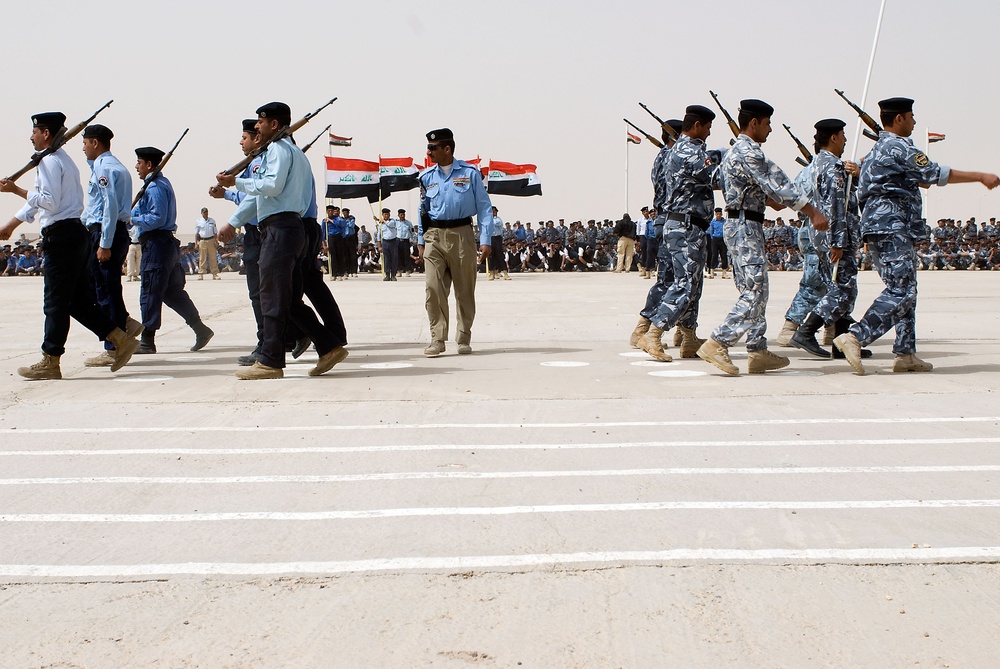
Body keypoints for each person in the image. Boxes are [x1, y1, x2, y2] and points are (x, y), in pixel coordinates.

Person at [834, 97, 1000, 374]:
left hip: (879, 226)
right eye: (911, 116)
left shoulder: (875, 151)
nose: (914, 121)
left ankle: (905, 353)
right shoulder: (899, 146)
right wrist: (979, 175)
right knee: (902, 290)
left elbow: (916, 178)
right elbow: (932, 173)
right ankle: (856, 336)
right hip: (892, 225)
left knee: (905, 290)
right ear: (899, 119)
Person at [0, 111, 139, 379]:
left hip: (62, 237)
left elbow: (48, 202)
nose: (31, 136)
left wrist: (16, 190)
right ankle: (119, 338)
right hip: (73, 234)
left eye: (35, 132)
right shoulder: (61, 161)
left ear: (46, 134)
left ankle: (51, 360)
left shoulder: (50, 162)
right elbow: (42, 202)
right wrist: (12, 225)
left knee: (54, 303)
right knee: (75, 302)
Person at [696, 99, 828, 376]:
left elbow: (740, 185)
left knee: (757, 289)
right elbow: (781, 184)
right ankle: (718, 342)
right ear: (754, 123)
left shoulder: (734, 152)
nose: (770, 130)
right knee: (754, 290)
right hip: (745, 226)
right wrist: (812, 211)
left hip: (743, 224)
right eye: (767, 124)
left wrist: (766, 198)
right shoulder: (749, 152)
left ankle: (757, 350)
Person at [216, 101, 347, 379]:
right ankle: (329, 346)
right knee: (287, 300)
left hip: (280, 230)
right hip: (292, 229)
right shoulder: (295, 153)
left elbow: (270, 187)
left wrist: (234, 182)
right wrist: (234, 222)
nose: (257, 128)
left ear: (274, 124)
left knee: (272, 296)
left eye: (260, 123)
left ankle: (271, 361)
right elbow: (260, 196)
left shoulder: (276, 150)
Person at [636, 105, 719, 362]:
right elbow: (714, 178)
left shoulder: (676, 152)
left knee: (692, 284)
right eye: (706, 127)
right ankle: (653, 332)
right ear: (696, 126)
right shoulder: (686, 151)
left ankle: (689, 337)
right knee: (683, 283)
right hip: (683, 224)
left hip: (686, 224)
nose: (708, 133)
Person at [131, 146, 214, 354]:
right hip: (165, 245)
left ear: (149, 165)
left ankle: (147, 341)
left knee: (151, 292)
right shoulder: (159, 183)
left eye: (139, 163)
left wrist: (130, 218)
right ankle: (200, 328)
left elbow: (157, 218)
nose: (136, 167)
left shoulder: (155, 187)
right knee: (172, 293)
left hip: (157, 245)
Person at [418, 127, 493, 356]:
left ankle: (463, 337)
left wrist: (486, 238)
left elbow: (484, 206)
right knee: (433, 288)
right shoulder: (426, 177)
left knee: (464, 290)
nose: (429, 152)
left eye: (433, 148)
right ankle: (437, 339)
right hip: (434, 237)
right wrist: (421, 239)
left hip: (462, 235)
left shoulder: (470, 173)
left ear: (447, 148)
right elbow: (423, 210)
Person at [80, 124, 143, 367]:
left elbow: (110, 206)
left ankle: (114, 346)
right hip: (112, 231)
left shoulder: (104, 168)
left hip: (107, 233)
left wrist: (104, 243)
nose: (83, 148)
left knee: (105, 289)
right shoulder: (114, 166)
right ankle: (124, 326)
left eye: (85, 143)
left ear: (95, 143)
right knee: (106, 287)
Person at [209, 119, 264, 364]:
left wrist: (232, 222)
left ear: (257, 138)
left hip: (260, 232)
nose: (241, 141)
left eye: (245, 137)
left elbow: (254, 199)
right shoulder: (251, 165)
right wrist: (227, 193)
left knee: (260, 292)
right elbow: (246, 195)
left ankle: (269, 341)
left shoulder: (260, 163)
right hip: (256, 231)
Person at [630, 118, 681, 349]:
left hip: (664, 220)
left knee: (672, 278)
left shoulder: (661, 156)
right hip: (672, 221)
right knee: (671, 279)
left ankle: (682, 331)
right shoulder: (672, 156)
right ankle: (646, 329)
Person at [194, 207, 220, 280]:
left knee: (213, 257)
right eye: (204, 212)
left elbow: (215, 232)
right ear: (201, 213)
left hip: (211, 240)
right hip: (202, 240)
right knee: (202, 258)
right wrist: (196, 243)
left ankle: (215, 274)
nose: (205, 213)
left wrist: (216, 241)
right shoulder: (198, 221)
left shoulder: (212, 221)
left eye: (206, 212)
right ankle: (201, 274)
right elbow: (196, 233)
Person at [375, 207, 398, 281]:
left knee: (394, 258)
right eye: (385, 214)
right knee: (386, 259)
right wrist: (379, 246)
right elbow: (378, 236)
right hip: (385, 242)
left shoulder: (393, 221)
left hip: (393, 242)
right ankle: (387, 274)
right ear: (382, 215)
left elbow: (390, 225)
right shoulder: (380, 225)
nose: (386, 216)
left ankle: (393, 275)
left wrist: (380, 220)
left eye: (387, 214)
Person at [487, 206, 509, 280]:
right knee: (491, 256)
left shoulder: (498, 219)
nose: (493, 213)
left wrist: (489, 220)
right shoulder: (487, 219)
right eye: (492, 211)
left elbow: (496, 223)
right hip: (491, 238)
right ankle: (492, 273)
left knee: (500, 255)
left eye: (494, 211)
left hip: (497, 238)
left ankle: (505, 273)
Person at [707, 208, 729, 278]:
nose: (718, 215)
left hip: (723, 239)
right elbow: (711, 231)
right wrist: (713, 238)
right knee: (714, 255)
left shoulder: (725, 222)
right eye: (717, 214)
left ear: (722, 214)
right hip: (715, 239)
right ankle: (712, 272)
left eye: (719, 214)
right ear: (715, 214)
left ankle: (724, 273)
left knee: (724, 255)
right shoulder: (713, 222)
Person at [396, 209, 414, 277]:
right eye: (400, 214)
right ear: (398, 215)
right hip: (398, 241)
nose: (402, 216)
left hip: (406, 241)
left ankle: (407, 270)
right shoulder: (396, 222)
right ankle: (399, 271)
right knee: (398, 256)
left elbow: (412, 232)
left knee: (407, 256)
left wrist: (412, 241)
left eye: (403, 214)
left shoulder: (408, 223)